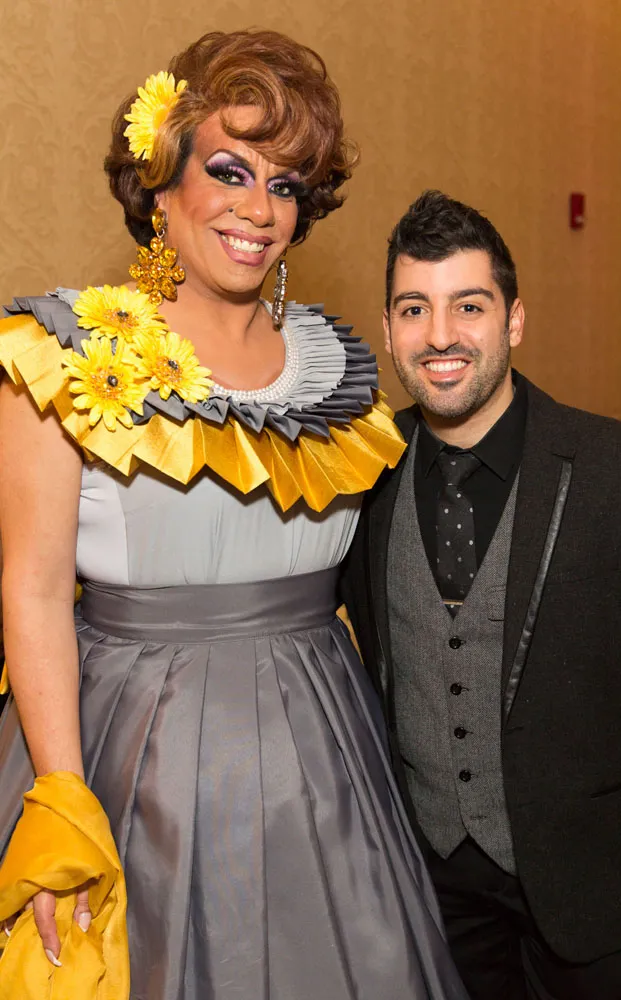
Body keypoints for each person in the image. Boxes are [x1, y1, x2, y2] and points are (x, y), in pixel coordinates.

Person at [0, 38, 468, 1000]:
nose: (259, 210)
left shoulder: (335, 372)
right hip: (134, 750)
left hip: (323, 755)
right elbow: (34, 590)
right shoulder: (61, 355)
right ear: (159, 181)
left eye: (286, 185)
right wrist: (63, 803)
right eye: (229, 171)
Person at [341, 189, 621, 1000]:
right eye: (413, 309)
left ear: (513, 320)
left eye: (468, 306)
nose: (439, 335)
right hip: (428, 889)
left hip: (587, 888)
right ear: (388, 328)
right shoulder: (356, 473)